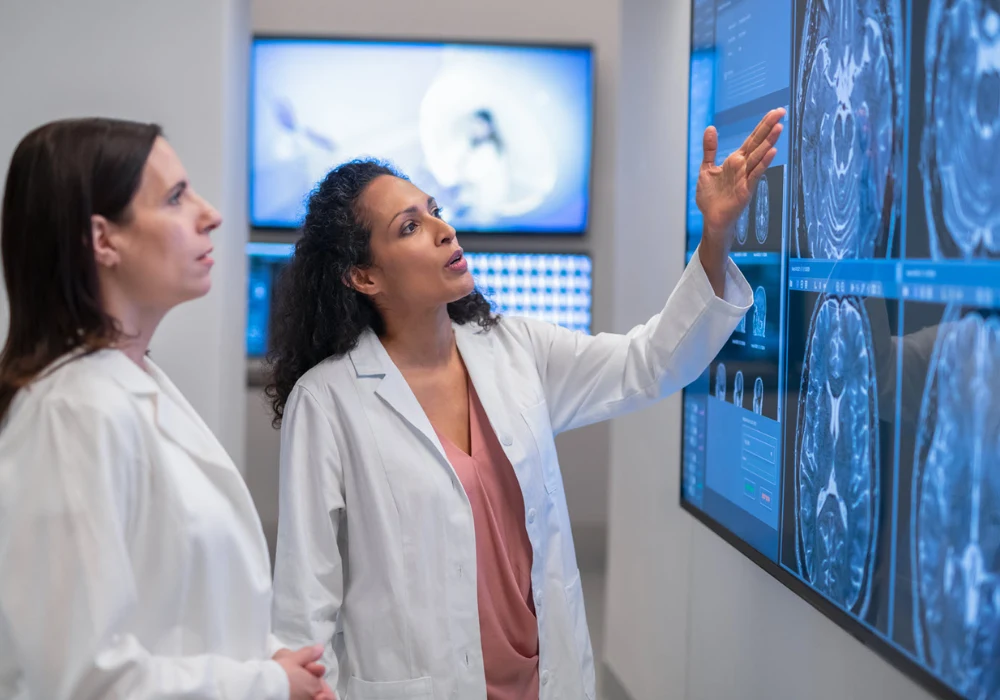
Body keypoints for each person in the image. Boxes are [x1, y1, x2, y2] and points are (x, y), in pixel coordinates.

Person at [266, 109, 786, 699]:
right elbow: (305, 607)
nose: (443, 231)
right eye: (409, 227)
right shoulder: (329, 401)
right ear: (363, 277)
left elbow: (649, 364)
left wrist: (714, 238)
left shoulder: (514, 349)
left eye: (435, 211)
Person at [0, 118, 335, 700]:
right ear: (102, 240)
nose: (210, 214)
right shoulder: (72, 412)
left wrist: (261, 655)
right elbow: (80, 681)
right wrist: (263, 683)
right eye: (176, 198)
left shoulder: (134, 385)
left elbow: (168, 609)